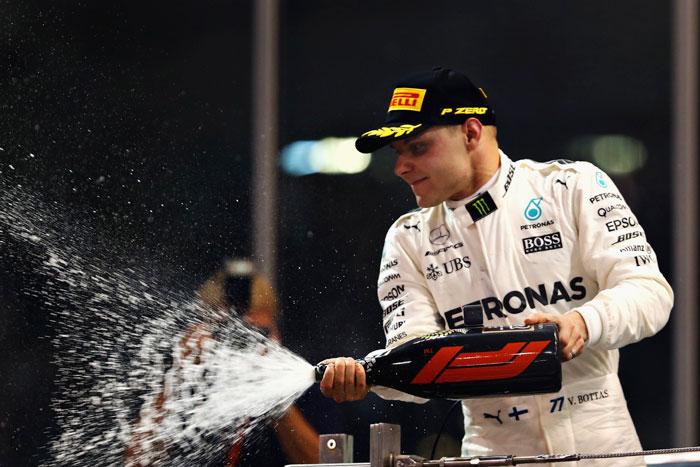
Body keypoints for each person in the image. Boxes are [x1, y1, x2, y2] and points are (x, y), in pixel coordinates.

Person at [319, 67, 673, 466]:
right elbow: (415, 359)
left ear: (471, 133)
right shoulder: (408, 238)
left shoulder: (573, 187)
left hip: (603, 449)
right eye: (398, 153)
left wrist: (583, 323)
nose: (401, 167)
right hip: (490, 454)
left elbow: (650, 292)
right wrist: (371, 376)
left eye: (417, 148)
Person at [127, 258, 320, 467]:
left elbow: (327, 463)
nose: (247, 344)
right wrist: (177, 380)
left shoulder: (300, 380)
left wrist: (279, 402)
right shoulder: (178, 385)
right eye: (231, 332)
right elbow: (135, 461)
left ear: (275, 332)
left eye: (259, 333)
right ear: (204, 331)